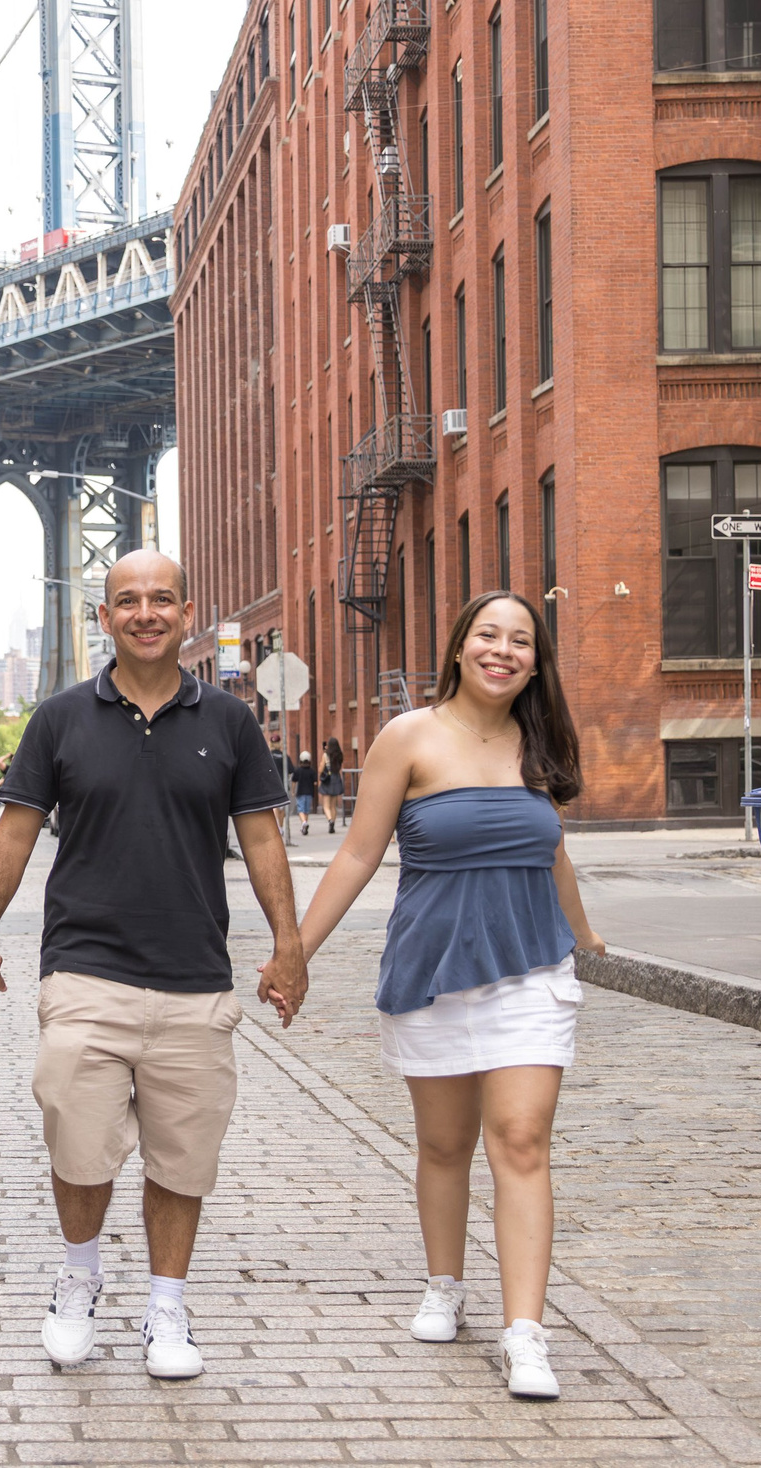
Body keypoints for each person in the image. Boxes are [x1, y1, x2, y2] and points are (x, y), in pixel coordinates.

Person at [0, 550, 304, 1381]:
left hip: (195, 977)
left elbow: (260, 837)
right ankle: (79, 1279)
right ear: (104, 618)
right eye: (126, 601)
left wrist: (289, 945)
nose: (145, 613)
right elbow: (12, 829)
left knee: (181, 1158)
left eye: (161, 600)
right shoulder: (60, 718)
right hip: (85, 969)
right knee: (79, 1143)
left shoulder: (229, 722)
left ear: (186, 614)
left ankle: (166, 1305)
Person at [292, 590, 607, 1403]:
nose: (504, 651)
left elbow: (553, 852)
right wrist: (295, 950)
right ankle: (444, 1284)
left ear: (537, 661)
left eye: (522, 641)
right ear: (461, 646)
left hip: (533, 966)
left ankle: (525, 1333)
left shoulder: (540, 741)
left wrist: (586, 933)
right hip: (433, 967)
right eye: (489, 635)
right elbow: (359, 856)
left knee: (522, 1139)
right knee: (443, 1146)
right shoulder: (410, 737)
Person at [291, 750, 320, 837]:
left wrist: (293, 791)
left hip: (300, 792)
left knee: (300, 810)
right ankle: (304, 826)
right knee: (306, 811)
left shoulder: (298, 770)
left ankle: (303, 823)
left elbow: (294, 781)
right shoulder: (312, 771)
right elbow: (315, 782)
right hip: (309, 793)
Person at [323, 736, 347, 831]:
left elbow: (321, 767)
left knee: (326, 805)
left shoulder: (326, 755)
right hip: (336, 778)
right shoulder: (339, 755)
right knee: (333, 805)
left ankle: (330, 820)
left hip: (328, 779)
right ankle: (333, 821)